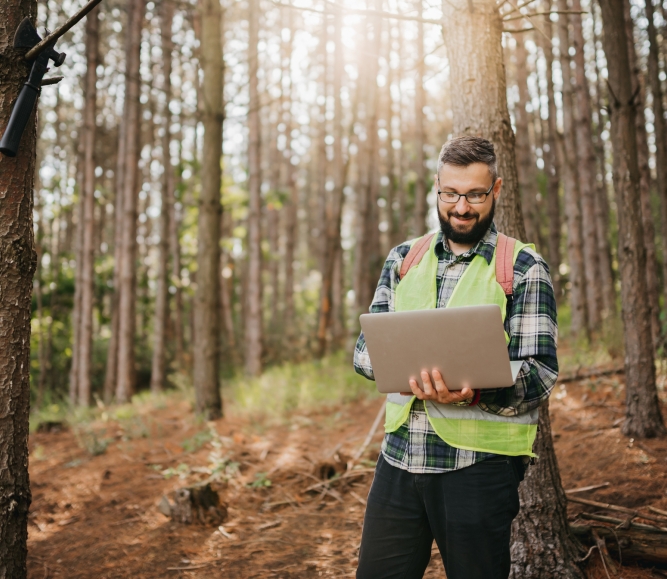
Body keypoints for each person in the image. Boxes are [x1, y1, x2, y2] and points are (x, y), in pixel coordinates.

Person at [353, 136, 558, 579]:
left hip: (478, 470)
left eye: (475, 195)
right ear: (437, 188)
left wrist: (477, 390)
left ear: (496, 191)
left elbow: (540, 372)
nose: (461, 207)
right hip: (400, 459)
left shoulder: (522, 267)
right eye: (450, 193)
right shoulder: (404, 259)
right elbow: (364, 352)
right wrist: (401, 369)